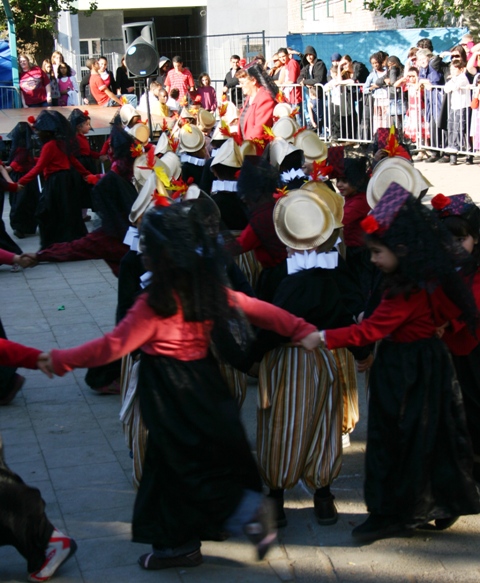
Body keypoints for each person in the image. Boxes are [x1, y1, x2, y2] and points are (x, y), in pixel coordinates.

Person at [42, 202, 322, 569]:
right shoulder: (205, 290)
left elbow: (110, 347)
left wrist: (62, 360)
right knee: (201, 460)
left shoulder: (152, 304)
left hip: (169, 393)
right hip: (206, 383)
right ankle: (182, 543)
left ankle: (239, 517)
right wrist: (300, 328)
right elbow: (254, 308)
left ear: (159, 257)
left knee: (176, 469)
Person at [318, 182, 480, 543]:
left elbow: (368, 332)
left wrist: (323, 338)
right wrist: (443, 323)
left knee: (393, 439)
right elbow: (456, 304)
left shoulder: (403, 291)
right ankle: (436, 502)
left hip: (405, 370)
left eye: (377, 252)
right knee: (429, 436)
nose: (373, 259)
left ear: (402, 249)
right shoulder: (422, 278)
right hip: (429, 366)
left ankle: (391, 512)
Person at [430, 193, 480, 483]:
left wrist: (449, 321)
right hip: (443, 349)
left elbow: (474, 302)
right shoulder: (437, 268)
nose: (455, 247)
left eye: (462, 240)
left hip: (472, 349)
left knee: (473, 408)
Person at [12, 110, 91, 249]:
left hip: (55, 182)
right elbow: (74, 161)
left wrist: (20, 182)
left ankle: (53, 243)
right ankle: (71, 241)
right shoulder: (62, 144)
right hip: (67, 181)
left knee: (47, 212)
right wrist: (86, 174)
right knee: (68, 212)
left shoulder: (49, 146)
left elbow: (38, 168)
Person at [4, 122, 39, 238]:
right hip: (24, 178)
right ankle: (24, 226)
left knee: (19, 203)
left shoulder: (18, 149)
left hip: (21, 177)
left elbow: (18, 161)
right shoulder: (24, 149)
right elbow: (18, 161)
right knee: (26, 202)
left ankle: (20, 226)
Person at [443, 46, 474, 165]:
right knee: (452, 128)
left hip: (463, 107)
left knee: (461, 129)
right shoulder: (454, 79)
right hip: (454, 106)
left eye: (454, 70)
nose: (452, 72)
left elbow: (454, 87)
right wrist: (452, 81)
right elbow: (447, 89)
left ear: (461, 69)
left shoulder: (462, 78)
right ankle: (453, 152)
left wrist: (453, 81)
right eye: (451, 70)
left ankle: (467, 153)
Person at [236, 64, 278, 141]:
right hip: (246, 147)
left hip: (256, 148)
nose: (240, 86)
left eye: (242, 83)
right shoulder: (250, 96)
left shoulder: (265, 98)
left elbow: (259, 130)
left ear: (253, 81)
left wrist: (246, 147)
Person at [297, 46, 327, 132]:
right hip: (310, 94)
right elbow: (299, 78)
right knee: (312, 114)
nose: (309, 57)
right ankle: (316, 132)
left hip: (320, 94)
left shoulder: (320, 64)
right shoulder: (306, 67)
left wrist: (305, 82)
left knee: (320, 115)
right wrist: (304, 82)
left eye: (311, 55)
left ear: (314, 55)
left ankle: (323, 133)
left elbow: (319, 79)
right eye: (307, 55)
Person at [277, 48, 302, 124]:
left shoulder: (292, 63)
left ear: (288, 55)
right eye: (280, 57)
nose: (282, 59)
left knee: (298, 117)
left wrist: (282, 85)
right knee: (292, 117)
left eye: (283, 56)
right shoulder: (286, 65)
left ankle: (300, 133)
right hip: (290, 95)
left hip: (295, 95)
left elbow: (292, 80)